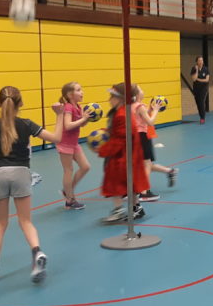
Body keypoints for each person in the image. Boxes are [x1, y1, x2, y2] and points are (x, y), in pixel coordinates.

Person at [0, 86, 62, 285]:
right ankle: (37, 252)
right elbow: (56, 138)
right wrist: (59, 115)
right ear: (21, 103)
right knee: (26, 222)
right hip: (21, 173)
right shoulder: (26, 124)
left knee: (1, 224)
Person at [99, 82, 150, 223]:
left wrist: (103, 150)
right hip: (128, 155)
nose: (109, 99)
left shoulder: (122, 115)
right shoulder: (121, 113)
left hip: (123, 157)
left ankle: (119, 211)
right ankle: (136, 207)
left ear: (121, 99)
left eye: (112, 97)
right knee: (130, 183)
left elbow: (121, 140)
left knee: (115, 184)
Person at [133, 86, 177, 201]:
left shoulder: (132, 106)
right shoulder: (140, 106)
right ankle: (144, 192)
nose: (143, 91)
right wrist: (156, 110)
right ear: (137, 94)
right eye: (140, 89)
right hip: (142, 136)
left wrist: (149, 110)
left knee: (143, 164)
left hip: (134, 136)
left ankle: (169, 171)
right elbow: (150, 122)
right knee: (147, 164)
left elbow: (140, 117)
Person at [55, 81, 92, 210]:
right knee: (68, 170)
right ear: (70, 94)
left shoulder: (78, 106)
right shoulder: (68, 107)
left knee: (85, 167)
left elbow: (81, 124)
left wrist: (86, 119)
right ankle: (69, 200)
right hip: (65, 143)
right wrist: (83, 119)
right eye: (78, 90)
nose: (82, 92)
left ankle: (68, 190)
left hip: (74, 143)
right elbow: (68, 125)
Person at [189, 55, 210, 124]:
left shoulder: (206, 69)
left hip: (204, 88)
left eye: (202, 60)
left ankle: (202, 118)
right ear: (197, 62)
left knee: (201, 101)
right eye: (199, 60)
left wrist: (198, 79)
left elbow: (207, 80)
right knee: (198, 103)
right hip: (196, 88)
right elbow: (194, 79)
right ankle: (201, 116)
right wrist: (197, 70)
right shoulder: (194, 68)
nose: (201, 62)